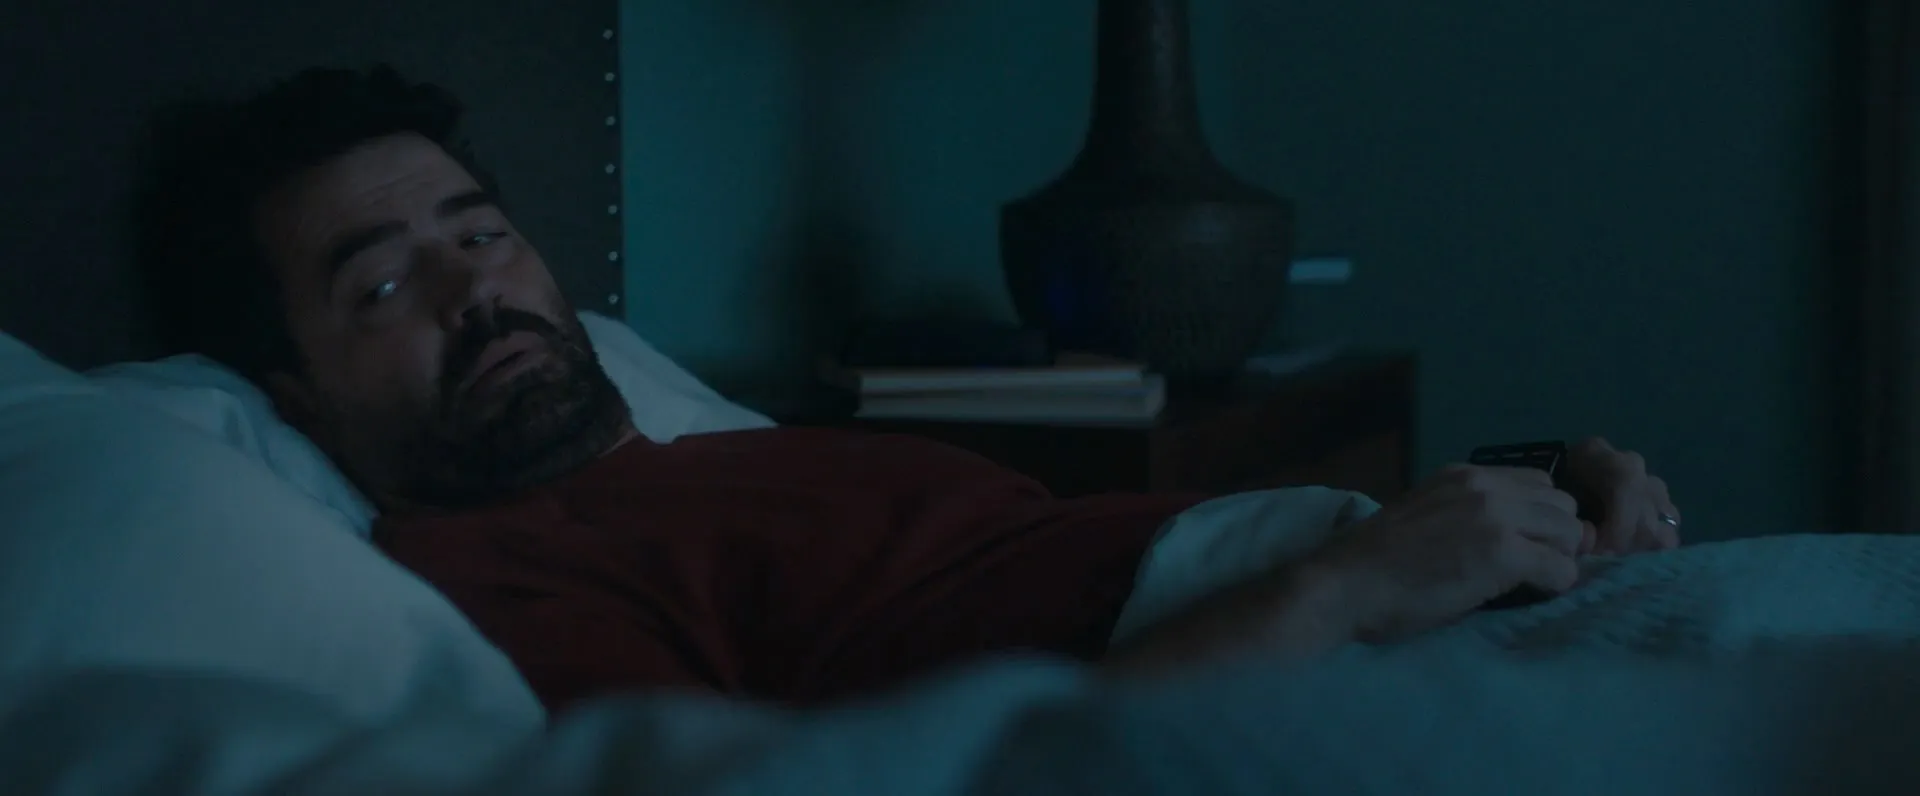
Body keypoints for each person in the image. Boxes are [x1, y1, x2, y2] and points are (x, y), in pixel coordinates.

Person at [137, 65, 1682, 713]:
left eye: (481, 234)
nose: (476, 290)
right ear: (296, 395)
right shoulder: (482, 580)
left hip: (1396, 611)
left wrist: (1518, 494)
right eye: (384, 286)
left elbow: (1059, 564)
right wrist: (1343, 588)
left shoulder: (727, 461)